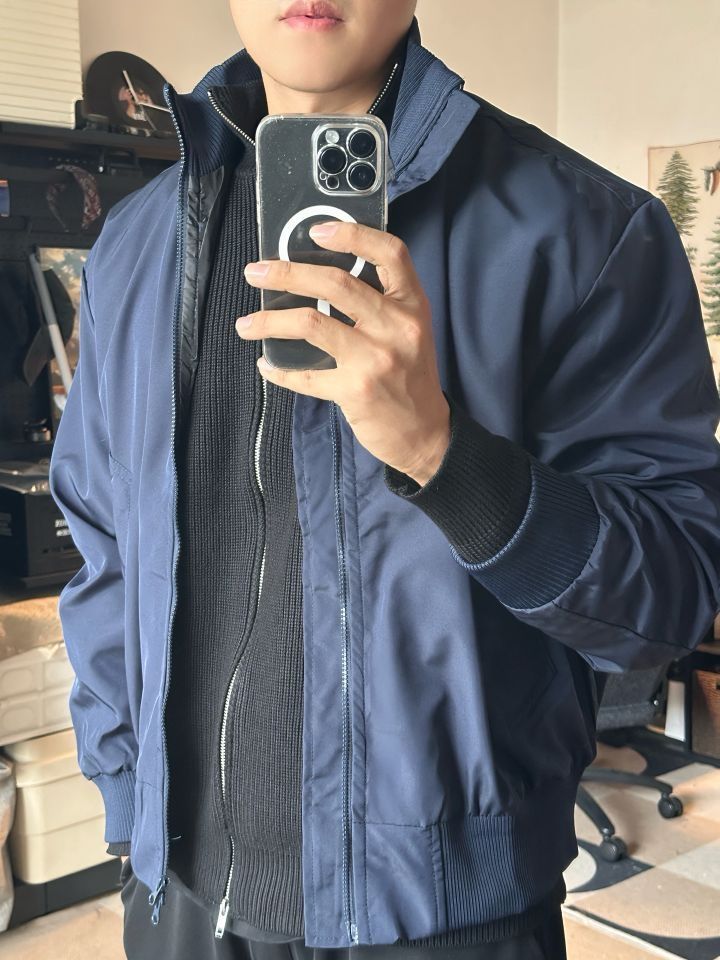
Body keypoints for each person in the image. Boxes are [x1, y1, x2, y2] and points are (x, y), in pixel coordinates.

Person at [48, 2, 720, 959]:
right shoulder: (132, 246)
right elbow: (105, 545)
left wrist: (444, 455)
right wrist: (127, 799)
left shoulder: (588, 231)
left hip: (450, 917)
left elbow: (671, 598)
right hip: (181, 904)